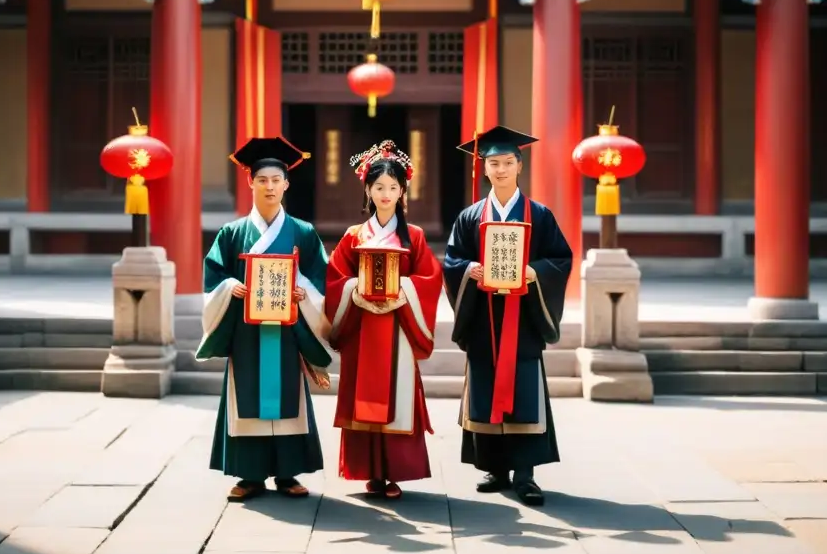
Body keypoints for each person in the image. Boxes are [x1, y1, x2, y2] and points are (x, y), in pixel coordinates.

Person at [443, 125, 573, 506]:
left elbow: (560, 258)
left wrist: (537, 273)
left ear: (520, 165)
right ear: (483, 169)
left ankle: (526, 474)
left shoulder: (540, 215)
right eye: (492, 163)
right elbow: (452, 260)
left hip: (525, 316)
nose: (499, 169)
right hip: (484, 317)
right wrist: (469, 270)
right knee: (485, 386)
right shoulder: (470, 217)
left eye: (507, 162)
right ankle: (495, 468)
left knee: (524, 390)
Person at [196, 136, 332, 502]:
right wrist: (229, 289)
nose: (270, 187)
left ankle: (287, 474)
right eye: (262, 180)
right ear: (250, 183)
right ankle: (249, 475)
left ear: (287, 183)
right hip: (247, 332)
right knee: (248, 395)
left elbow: (321, 278)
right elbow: (213, 278)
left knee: (289, 396)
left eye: (276, 180)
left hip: (289, 330)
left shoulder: (303, 232)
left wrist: (304, 290)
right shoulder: (232, 233)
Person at [324, 140, 446, 500]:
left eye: (393, 187)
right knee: (364, 393)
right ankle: (369, 471)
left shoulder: (416, 237)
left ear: (403, 191)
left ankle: (393, 471)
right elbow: (335, 280)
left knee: (398, 393)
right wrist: (355, 292)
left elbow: (429, 278)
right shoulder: (352, 236)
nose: (386, 194)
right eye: (379, 187)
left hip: (399, 329)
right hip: (362, 328)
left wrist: (401, 291)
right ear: (367, 189)